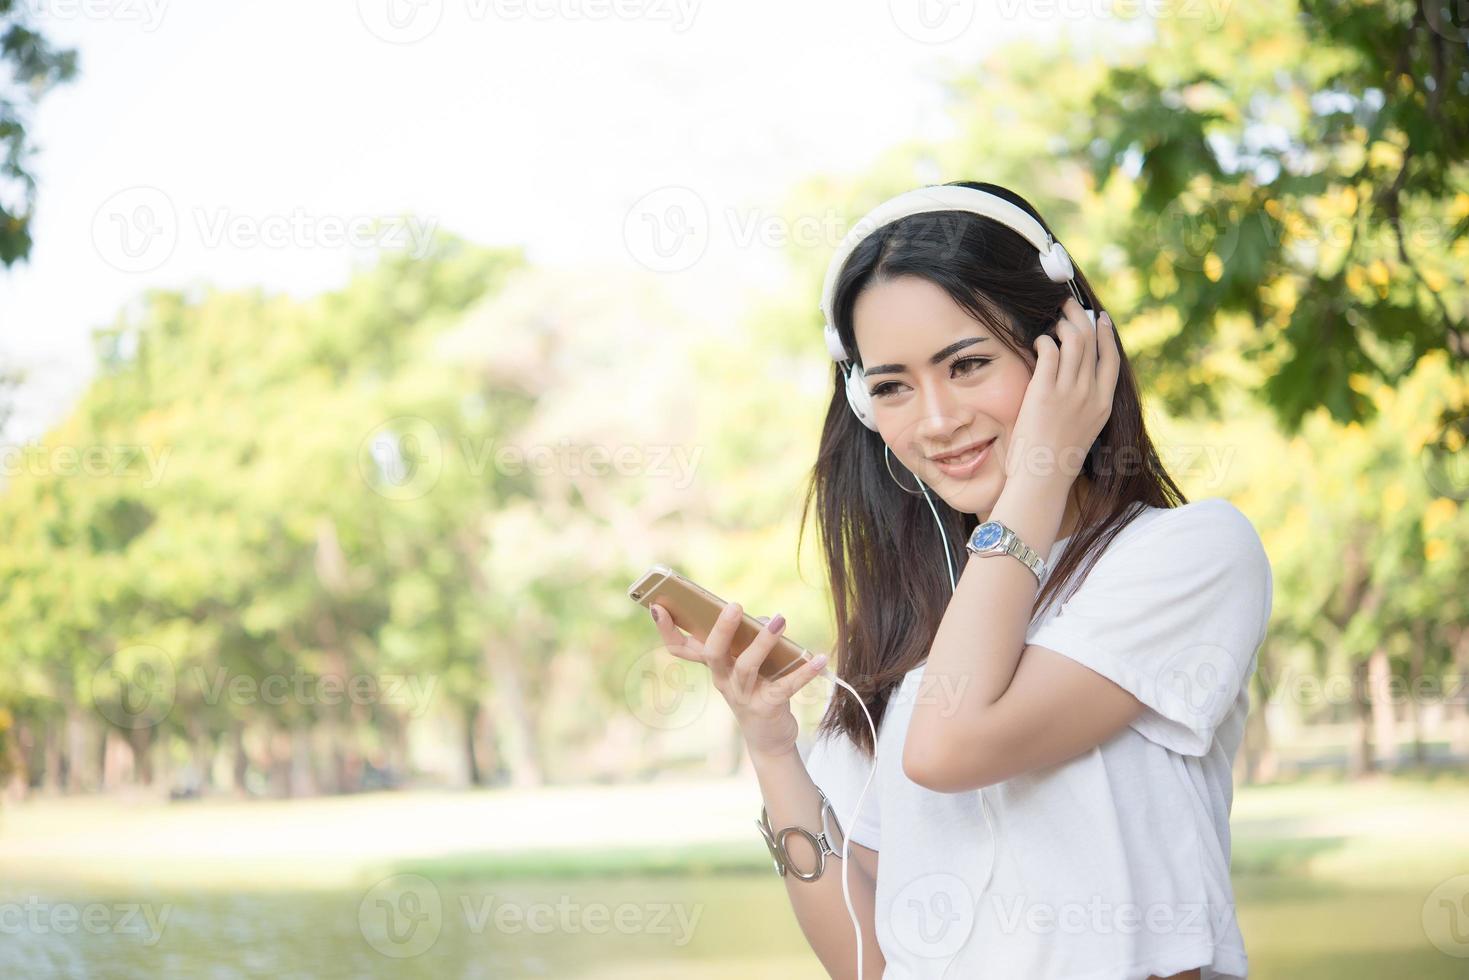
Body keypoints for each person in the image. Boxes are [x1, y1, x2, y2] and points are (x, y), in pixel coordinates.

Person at [647, 180, 1273, 979]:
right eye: (891, 387)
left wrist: (1040, 471)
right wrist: (773, 751)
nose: (935, 420)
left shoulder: (1189, 554)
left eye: (968, 364)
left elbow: (949, 748)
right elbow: (865, 962)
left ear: (1070, 351)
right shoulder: (911, 633)